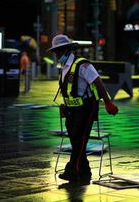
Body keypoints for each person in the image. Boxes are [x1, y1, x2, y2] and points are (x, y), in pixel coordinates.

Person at [47, 34, 118, 183]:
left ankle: (72, 171)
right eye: (55, 52)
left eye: (59, 51)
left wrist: (107, 102)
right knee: (75, 141)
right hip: (72, 111)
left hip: (86, 109)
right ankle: (84, 171)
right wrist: (65, 106)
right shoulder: (65, 68)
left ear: (67, 50)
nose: (57, 55)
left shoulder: (83, 65)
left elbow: (98, 82)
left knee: (79, 141)